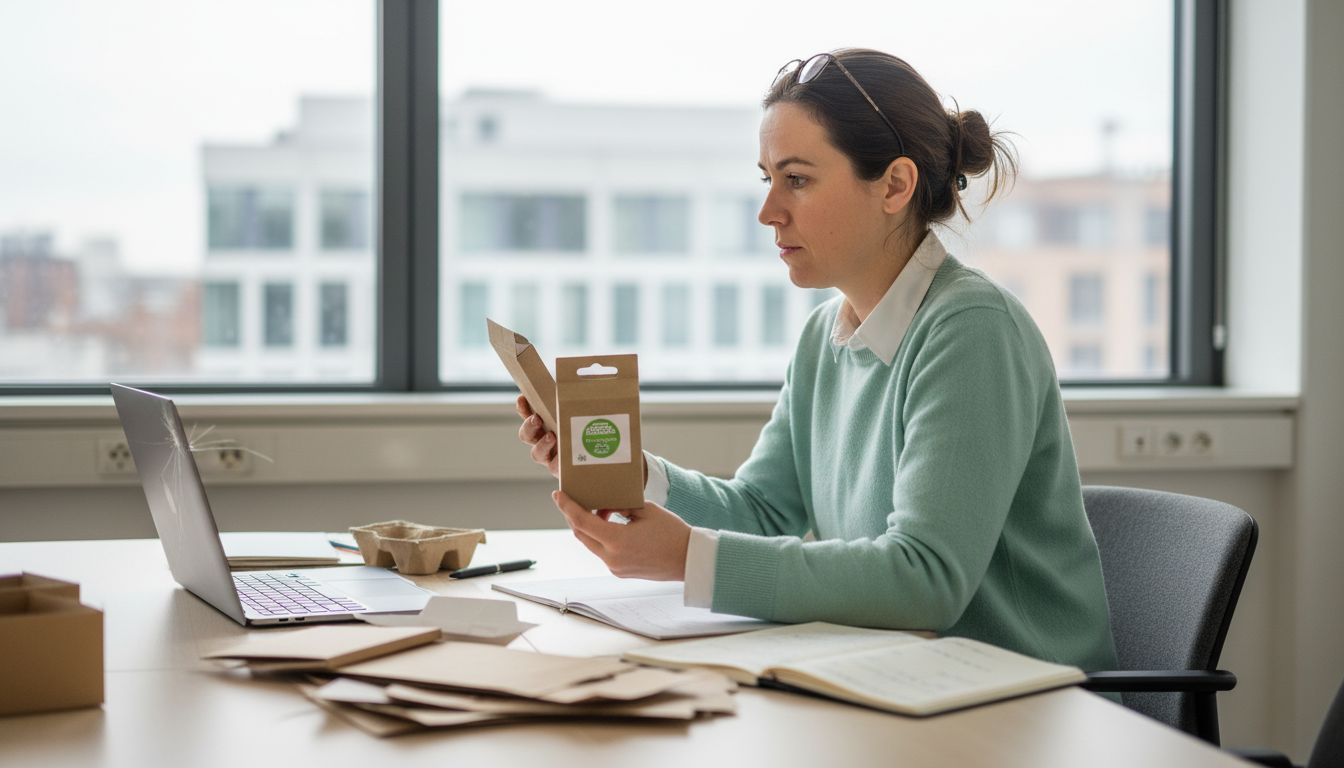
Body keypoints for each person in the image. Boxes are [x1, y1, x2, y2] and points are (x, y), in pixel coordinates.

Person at [516, 48, 1117, 671]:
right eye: (767, 179)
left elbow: (926, 578)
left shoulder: (972, 330)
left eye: (796, 179)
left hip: (1026, 704)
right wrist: (628, 472)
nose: (767, 211)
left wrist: (690, 558)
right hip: (902, 681)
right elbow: (764, 512)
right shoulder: (824, 336)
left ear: (894, 185)